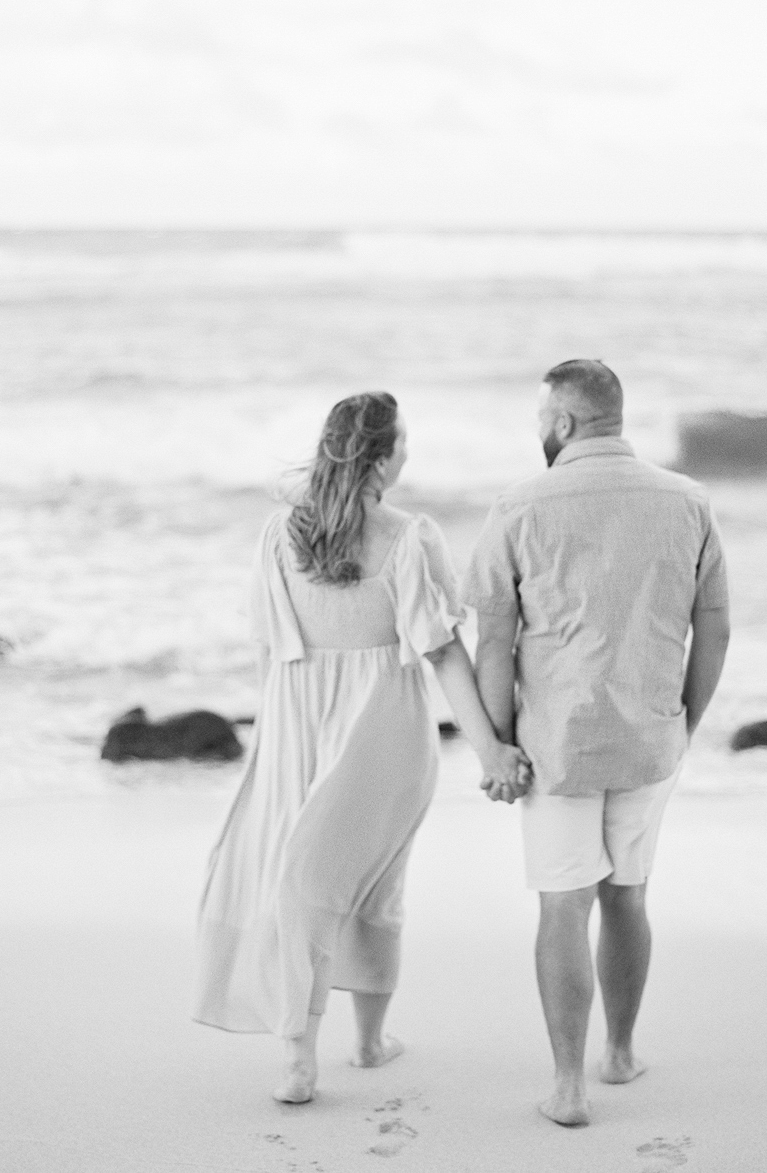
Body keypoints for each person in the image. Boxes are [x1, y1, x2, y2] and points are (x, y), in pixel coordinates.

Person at [193, 391, 531, 1105]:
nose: (408, 452)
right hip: (386, 730)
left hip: (295, 718)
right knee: (375, 885)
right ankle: (368, 1042)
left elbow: (266, 646)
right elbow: (442, 655)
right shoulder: (409, 537)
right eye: (402, 442)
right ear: (380, 456)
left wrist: (270, 743)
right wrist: (490, 750)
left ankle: (298, 1053)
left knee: (301, 881)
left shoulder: (281, 533)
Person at [464, 360, 731, 1127]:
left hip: (557, 745)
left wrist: (499, 746)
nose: (538, 428)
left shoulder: (519, 506)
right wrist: (687, 719)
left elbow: (492, 638)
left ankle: (568, 1087)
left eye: (542, 416)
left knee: (562, 906)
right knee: (628, 895)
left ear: (565, 423)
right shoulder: (688, 501)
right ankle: (618, 1051)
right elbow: (712, 624)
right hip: (650, 737)